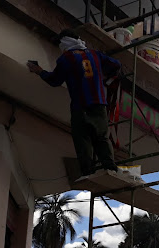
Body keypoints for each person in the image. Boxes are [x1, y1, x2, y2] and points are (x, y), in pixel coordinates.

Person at [27, 29, 121, 177]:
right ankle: (111, 169)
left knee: (82, 138)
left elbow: (54, 80)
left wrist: (39, 71)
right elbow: (116, 65)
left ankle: (87, 172)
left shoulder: (66, 59)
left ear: (65, 43)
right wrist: (105, 79)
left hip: (80, 106)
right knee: (102, 137)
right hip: (99, 104)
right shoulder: (95, 55)